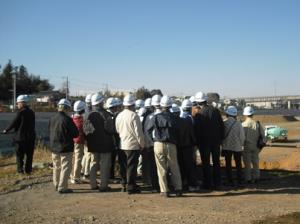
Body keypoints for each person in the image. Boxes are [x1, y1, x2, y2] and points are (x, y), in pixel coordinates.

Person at [146, 95, 182, 198]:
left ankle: (164, 191)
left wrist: (153, 141)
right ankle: (178, 189)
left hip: (158, 144)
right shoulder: (175, 118)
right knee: (174, 167)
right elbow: (179, 132)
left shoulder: (156, 117)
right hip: (171, 144)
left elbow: (148, 130)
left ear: (161, 105)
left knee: (161, 168)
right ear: (170, 105)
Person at [194, 91, 225, 190]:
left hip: (204, 144)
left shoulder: (199, 114)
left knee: (206, 163)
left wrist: (197, 143)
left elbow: (197, 131)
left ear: (198, 102)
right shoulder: (215, 111)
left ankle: (207, 184)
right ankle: (218, 183)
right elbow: (221, 126)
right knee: (216, 163)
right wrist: (221, 139)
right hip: (216, 142)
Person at [83, 93, 114, 191]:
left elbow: (87, 131)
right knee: (104, 165)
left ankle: (93, 185)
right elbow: (110, 130)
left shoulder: (87, 115)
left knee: (93, 163)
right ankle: (103, 186)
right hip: (105, 144)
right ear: (101, 102)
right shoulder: (106, 114)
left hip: (93, 144)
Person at [115, 94, 145, 194]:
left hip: (122, 144)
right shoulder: (134, 116)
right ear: (132, 105)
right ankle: (131, 186)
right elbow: (139, 133)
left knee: (123, 166)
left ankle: (124, 184)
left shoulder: (119, 115)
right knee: (131, 166)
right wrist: (142, 144)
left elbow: (118, 130)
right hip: (132, 145)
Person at [49, 99, 79, 193]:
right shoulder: (68, 120)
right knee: (65, 167)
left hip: (54, 147)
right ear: (66, 108)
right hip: (66, 147)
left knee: (56, 166)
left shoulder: (52, 118)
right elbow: (75, 134)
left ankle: (56, 184)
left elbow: (49, 130)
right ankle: (62, 187)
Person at [2, 95, 35, 174]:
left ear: (23, 103)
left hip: (20, 138)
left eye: (18, 103)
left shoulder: (21, 112)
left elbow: (14, 123)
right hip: (31, 137)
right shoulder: (32, 112)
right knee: (29, 156)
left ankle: (20, 171)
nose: (17, 105)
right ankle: (28, 171)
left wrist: (6, 130)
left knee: (20, 156)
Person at [222, 106, 245, 187]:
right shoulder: (238, 124)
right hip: (237, 147)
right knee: (238, 164)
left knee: (228, 164)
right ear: (235, 115)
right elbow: (242, 137)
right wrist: (241, 144)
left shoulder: (224, 123)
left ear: (227, 114)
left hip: (226, 147)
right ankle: (239, 180)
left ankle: (230, 180)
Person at [242, 106, 266, 184]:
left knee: (247, 164)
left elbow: (241, 138)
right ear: (253, 114)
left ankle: (248, 179)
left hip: (246, 147)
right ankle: (256, 177)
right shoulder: (257, 124)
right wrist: (260, 148)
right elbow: (263, 136)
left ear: (245, 115)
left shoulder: (243, 125)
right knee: (256, 163)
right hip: (256, 147)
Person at [71, 100, 86, 184]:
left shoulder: (72, 117)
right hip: (79, 141)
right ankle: (76, 177)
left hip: (72, 140)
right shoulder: (82, 119)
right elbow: (89, 130)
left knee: (73, 158)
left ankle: (71, 175)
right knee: (78, 158)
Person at [81, 93, 93, 180]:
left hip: (84, 135)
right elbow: (88, 126)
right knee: (88, 154)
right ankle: (86, 172)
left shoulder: (85, 109)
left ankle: (82, 170)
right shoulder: (88, 112)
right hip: (87, 135)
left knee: (85, 154)